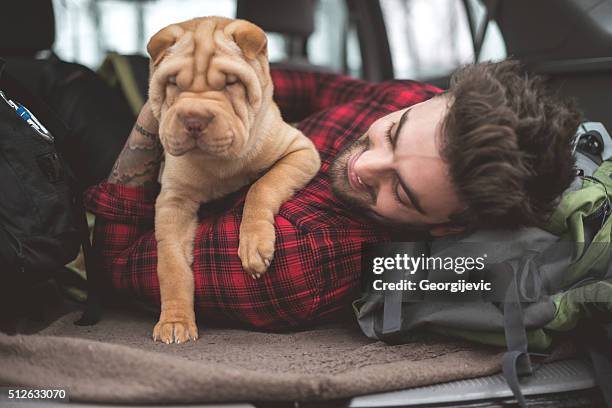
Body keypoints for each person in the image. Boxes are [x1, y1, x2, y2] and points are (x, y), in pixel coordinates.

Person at [84, 60, 581, 330]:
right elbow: (312, 86)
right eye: (392, 134)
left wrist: (154, 117)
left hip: (118, 205)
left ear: (446, 227)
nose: (365, 165)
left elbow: (115, 262)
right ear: (436, 98)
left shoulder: (302, 259)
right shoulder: (408, 102)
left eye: (400, 192)